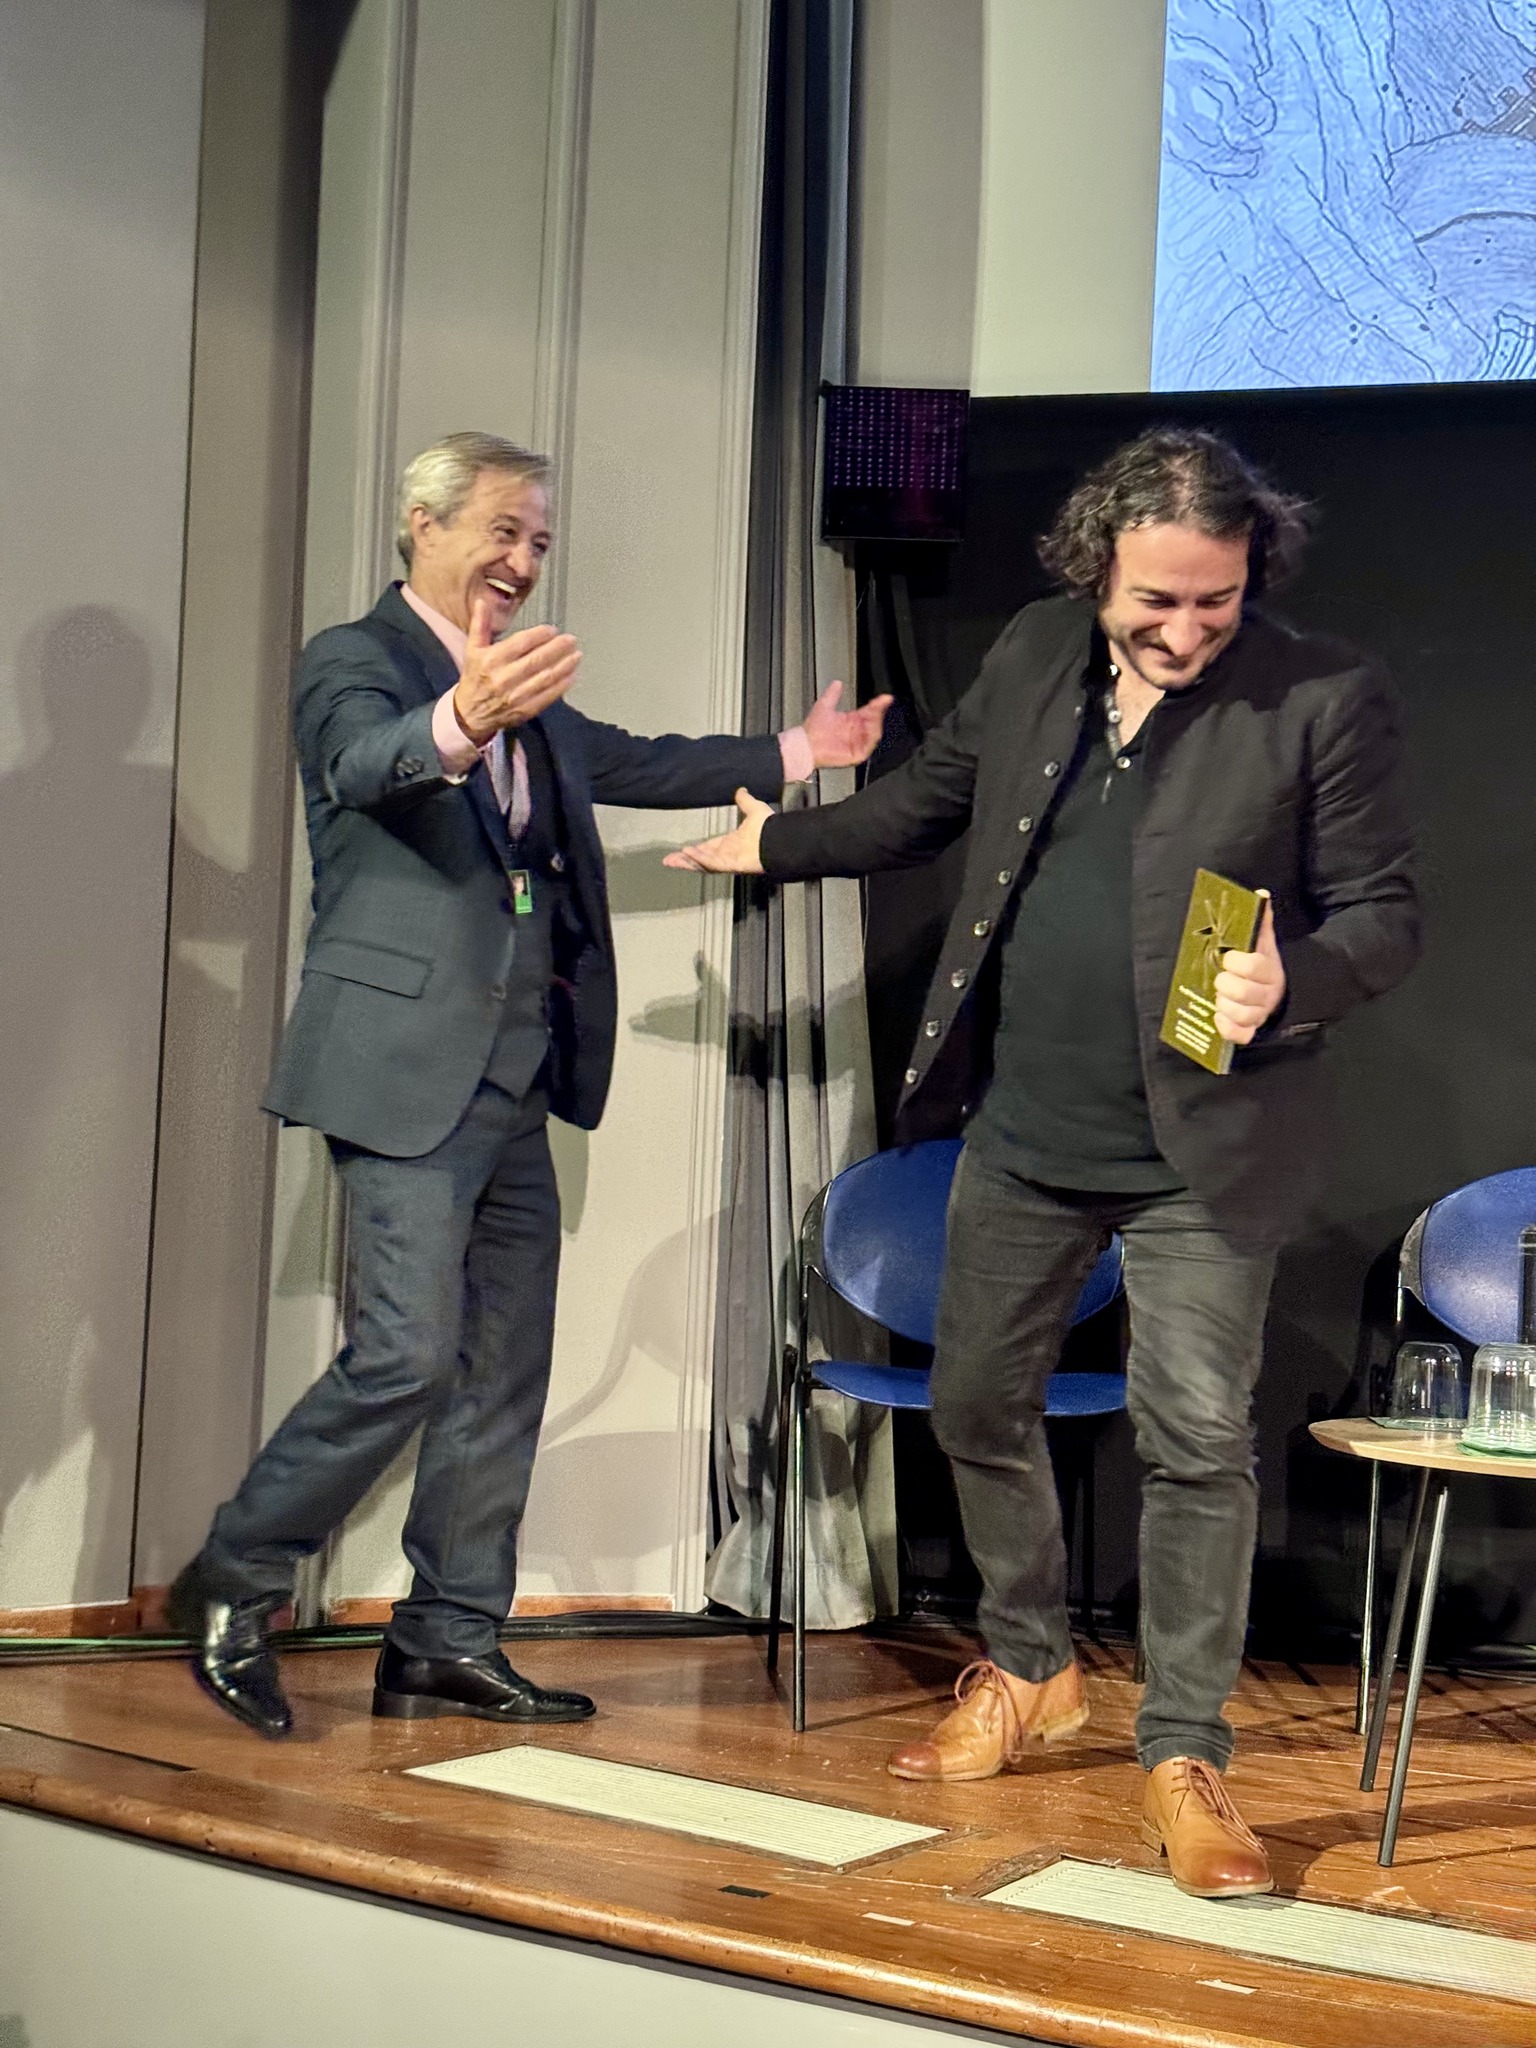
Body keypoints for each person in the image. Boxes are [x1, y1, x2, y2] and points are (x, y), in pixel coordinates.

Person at [667, 427, 1419, 1898]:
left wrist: (1298, 978)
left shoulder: (1321, 695)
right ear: (1095, 571)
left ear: (1253, 569)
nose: (1187, 632)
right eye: (1157, 603)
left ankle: (1183, 1753)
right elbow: (925, 804)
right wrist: (781, 848)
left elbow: (1385, 913)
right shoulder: (1031, 651)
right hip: (1024, 1131)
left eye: (1217, 599)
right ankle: (1032, 1666)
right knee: (972, 1403)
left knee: (1195, 1442)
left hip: (1205, 1147)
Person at [169, 430, 890, 1739]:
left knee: (502, 1368)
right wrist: (464, 718)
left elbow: (641, 761)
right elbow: (362, 766)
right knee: (403, 1356)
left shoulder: (533, 695)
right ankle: (233, 1574)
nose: (522, 560)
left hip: (517, 1083)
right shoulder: (356, 660)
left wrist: (800, 747)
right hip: (401, 1073)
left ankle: (445, 1639)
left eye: (540, 542)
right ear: (424, 524)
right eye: (503, 531)